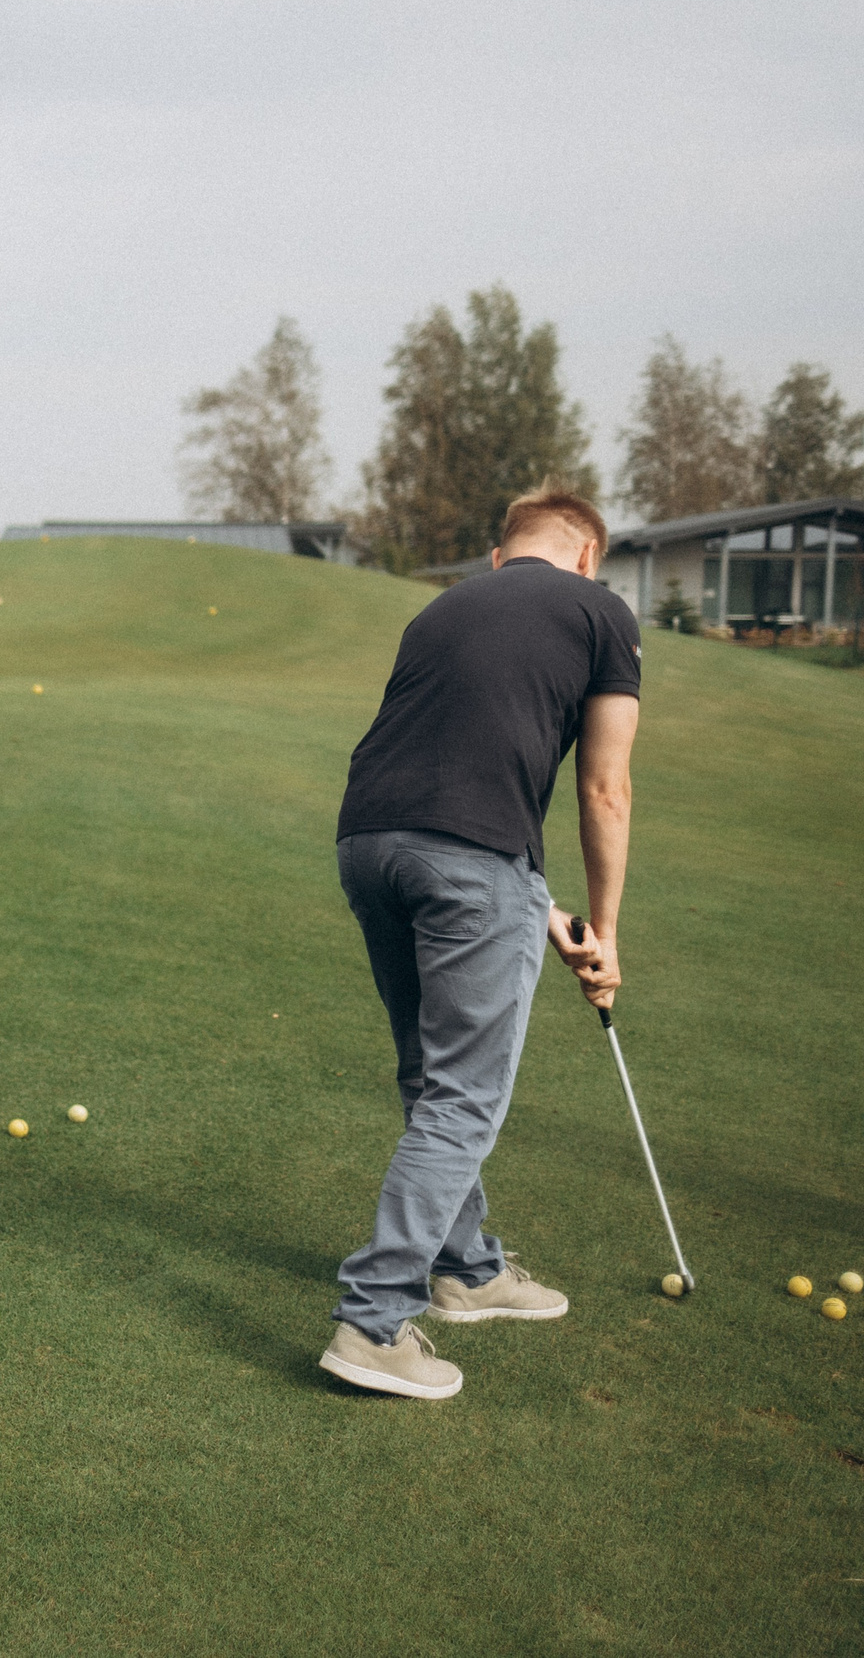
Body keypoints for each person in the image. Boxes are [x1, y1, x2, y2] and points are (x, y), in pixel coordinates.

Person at [320, 485, 637, 1401]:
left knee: (429, 1073)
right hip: (466, 861)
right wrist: (606, 931)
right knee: (464, 1096)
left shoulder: (443, 607)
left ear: (503, 555)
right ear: (586, 555)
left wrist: (537, 907)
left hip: (368, 844)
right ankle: (374, 1320)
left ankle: (466, 1267)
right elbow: (604, 785)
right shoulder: (600, 610)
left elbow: (448, 768)